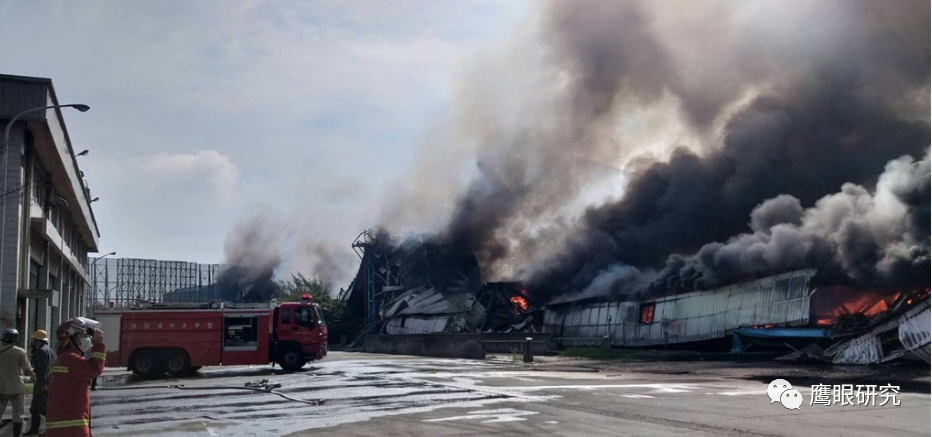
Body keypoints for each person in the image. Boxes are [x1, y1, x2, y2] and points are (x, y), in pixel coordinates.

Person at [46, 318, 106, 437]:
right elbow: (94, 369)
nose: (87, 339)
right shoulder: (69, 359)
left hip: (64, 428)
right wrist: (98, 344)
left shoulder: (64, 359)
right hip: (71, 429)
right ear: (70, 338)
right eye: (83, 335)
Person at [0, 328, 36, 437]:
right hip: (17, 387)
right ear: (16, 339)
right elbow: (27, 370)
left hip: (1, 387)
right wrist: (33, 377)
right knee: (18, 414)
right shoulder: (20, 352)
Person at [25, 330, 55, 436]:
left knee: (37, 408)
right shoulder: (50, 350)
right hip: (48, 381)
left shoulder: (41, 351)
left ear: (38, 341)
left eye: (34, 340)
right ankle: (43, 430)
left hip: (41, 382)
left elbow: (43, 369)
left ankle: (37, 430)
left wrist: (42, 383)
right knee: (42, 407)